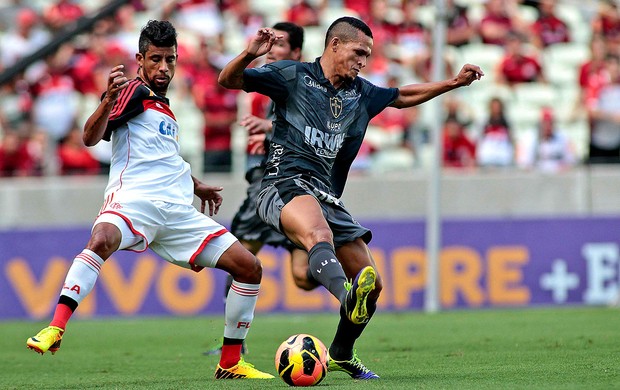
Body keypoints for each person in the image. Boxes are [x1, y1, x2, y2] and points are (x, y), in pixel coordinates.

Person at [218, 16, 483, 379]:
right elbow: (229, 80)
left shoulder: (361, 92)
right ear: (335, 45)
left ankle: (342, 351)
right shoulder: (293, 76)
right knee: (318, 236)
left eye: (368, 55)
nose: (363, 61)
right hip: (283, 183)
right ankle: (346, 297)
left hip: (327, 195)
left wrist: (453, 83)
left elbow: (402, 96)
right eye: (359, 52)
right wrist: (248, 54)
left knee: (373, 282)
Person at [25, 20, 273, 380]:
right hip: (134, 201)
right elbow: (91, 138)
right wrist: (108, 99)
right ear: (139, 59)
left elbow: (163, 158)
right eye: (155, 59)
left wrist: (195, 184)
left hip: (175, 211)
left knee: (249, 267)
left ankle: (231, 362)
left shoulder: (163, 106)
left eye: (170, 59)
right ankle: (56, 327)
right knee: (101, 240)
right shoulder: (134, 92)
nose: (164, 68)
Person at [205, 21, 315, 356]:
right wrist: (266, 138)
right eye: (270, 44)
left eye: (279, 45)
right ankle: (234, 343)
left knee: (299, 277)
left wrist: (267, 128)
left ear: (296, 52)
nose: (272, 50)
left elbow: (308, 125)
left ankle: (333, 257)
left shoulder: (306, 81)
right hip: (268, 182)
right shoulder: (274, 80)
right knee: (243, 258)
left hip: (287, 187)